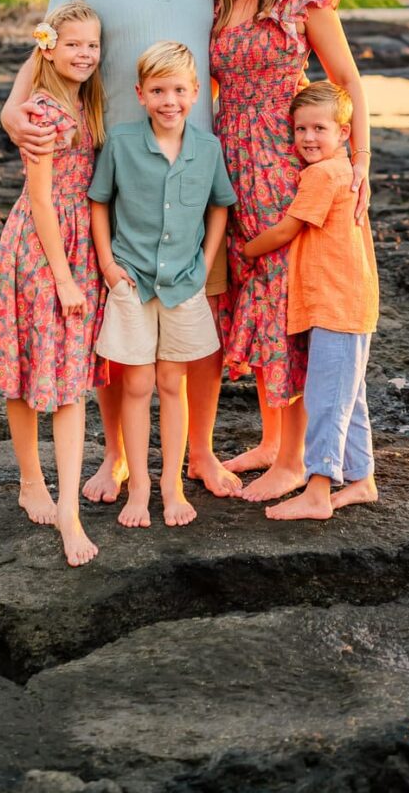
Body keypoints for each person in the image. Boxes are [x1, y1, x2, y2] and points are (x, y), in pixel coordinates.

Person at [0, 0, 241, 501]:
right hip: (113, 177)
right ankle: (116, 459)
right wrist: (7, 109)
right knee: (117, 327)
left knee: (200, 317)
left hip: (191, 169)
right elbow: (44, 48)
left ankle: (202, 455)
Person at [207, 0, 371, 503]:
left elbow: (346, 79)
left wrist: (359, 161)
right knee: (253, 299)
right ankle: (272, 442)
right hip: (231, 163)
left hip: (284, 164)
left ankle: (296, 459)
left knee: (286, 305)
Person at [0, 0, 105, 568]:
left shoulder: (87, 100)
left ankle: (67, 505)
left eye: (93, 46)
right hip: (42, 246)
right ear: (50, 49)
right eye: (73, 45)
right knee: (27, 370)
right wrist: (66, 278)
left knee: (71, 380)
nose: (86, 55)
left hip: (80, 244)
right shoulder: (43, 112)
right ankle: (32, 482)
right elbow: (44, 200)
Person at [88, 41, 236, 528]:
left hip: (183, 283)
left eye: (178, 90)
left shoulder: (208, 148)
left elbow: (220, 205)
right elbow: (99, 203)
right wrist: (109, 265)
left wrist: (206, 259)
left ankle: (171, 485)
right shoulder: (122, 142)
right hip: (132, 280)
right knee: (136, 382)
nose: (169, 100)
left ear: (196, 92)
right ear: (141, 94)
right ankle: (140, 488)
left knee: (172, 382)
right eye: (158, 90)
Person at [241, 81, 380, 521]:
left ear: (344, 134)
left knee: (324, 399)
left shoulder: (323, 175)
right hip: (350, 301)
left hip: (336, 304)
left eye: (320, 128)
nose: (307, 138)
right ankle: (361, 480)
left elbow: (286, 230)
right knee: (348, 395)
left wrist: (245, 250)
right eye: (300, 129)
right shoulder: (342, 171)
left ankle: (318, 491)